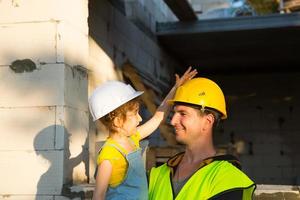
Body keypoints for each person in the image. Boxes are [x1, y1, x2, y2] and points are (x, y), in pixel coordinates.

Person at [89, 67, 197, 200]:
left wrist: (175, 88)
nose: (140, 118)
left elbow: (158, 118)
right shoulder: (109, 155)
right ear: (117, 121)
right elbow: (98, 196)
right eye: (135, 114)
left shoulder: (132, 139)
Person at [148, 77, 256, 200]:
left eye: (183, 114)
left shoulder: (229, 179)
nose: (173, 121)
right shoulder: (157, 174)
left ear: (207, 121)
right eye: (174, 113)